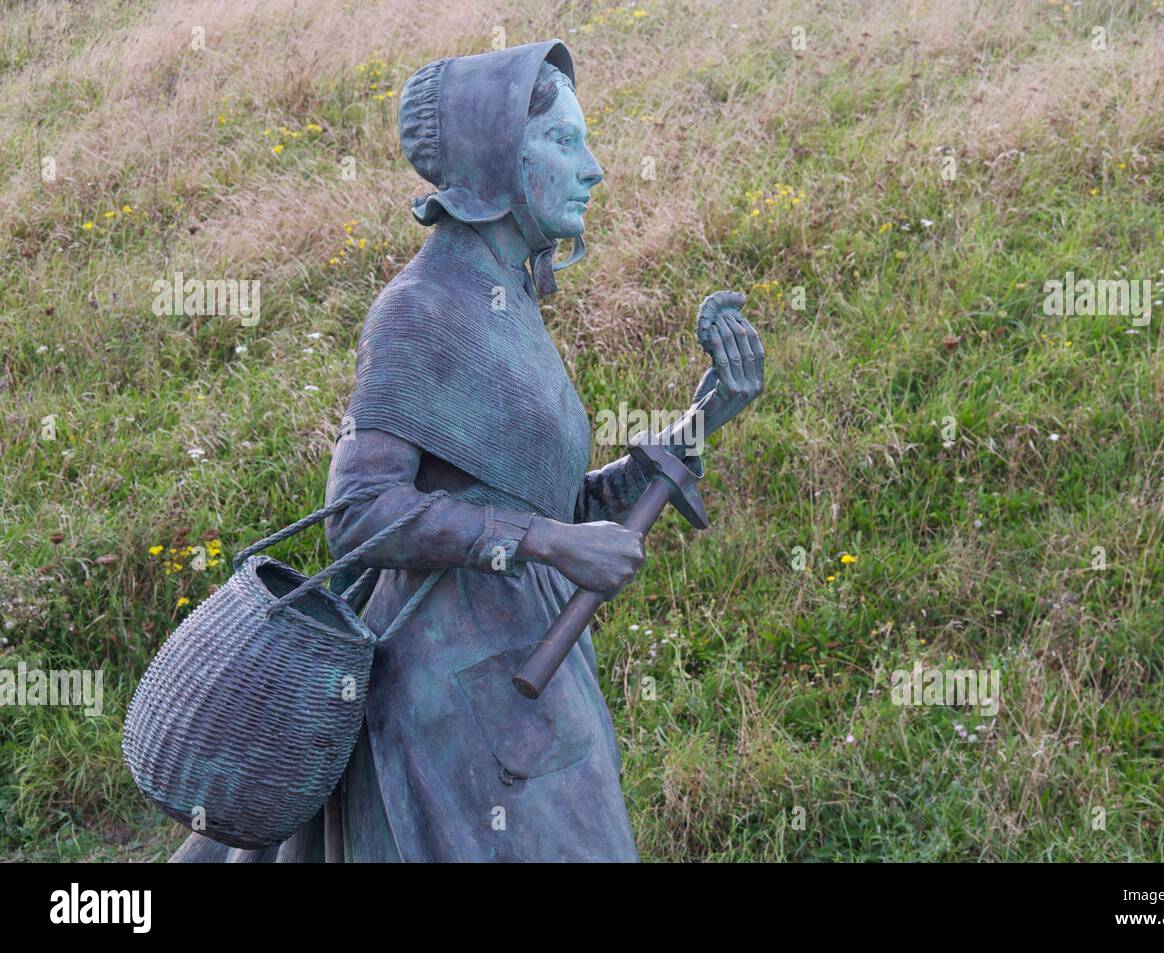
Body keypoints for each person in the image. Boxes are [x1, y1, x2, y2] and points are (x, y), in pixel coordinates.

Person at [170, 39, 763, 863]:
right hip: (452, 708)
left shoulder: (510, 300)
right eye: (562, 143)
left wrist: (705, 417)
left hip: (528, 679)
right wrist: (549, 544)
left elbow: (545, 501)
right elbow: (362, 515)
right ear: (492, 160)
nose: (593, 168)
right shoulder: (421, 308)